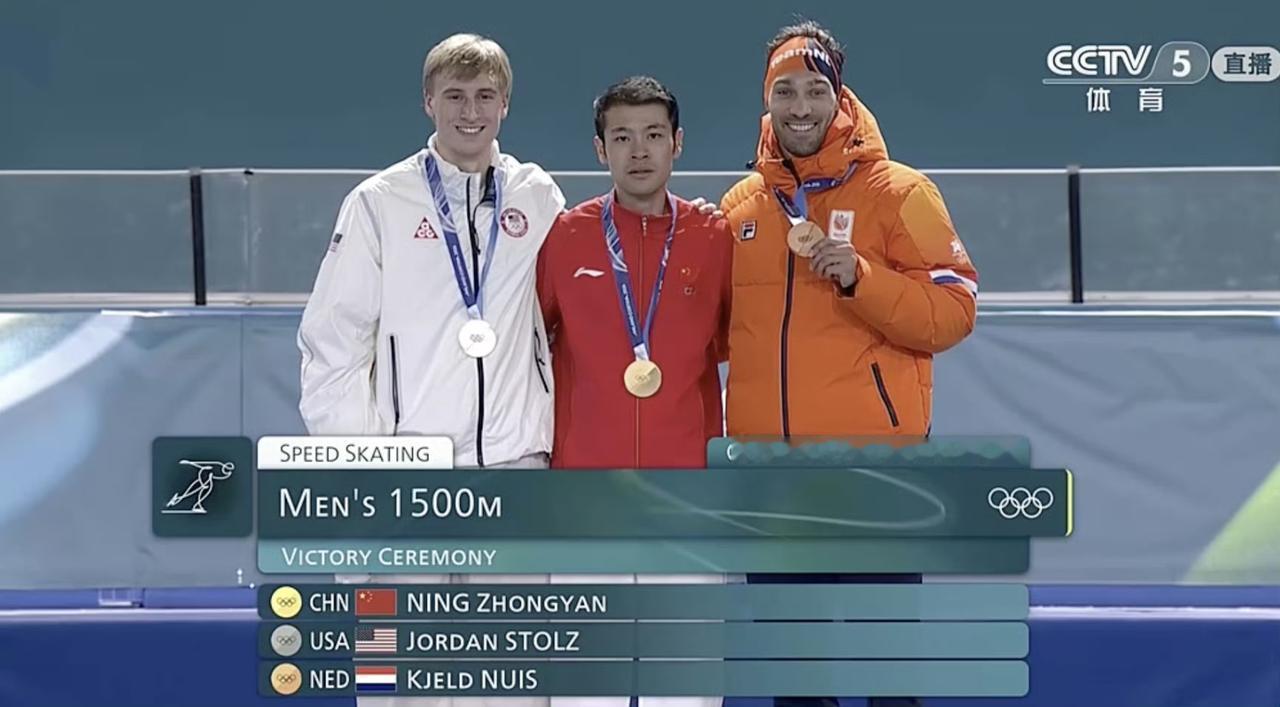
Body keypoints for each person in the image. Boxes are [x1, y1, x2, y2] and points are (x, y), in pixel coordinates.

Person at [718, 20, 980, 707]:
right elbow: (720, 334)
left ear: (839, 96)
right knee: (795, 682)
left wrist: (864, 278)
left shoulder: (901, 192)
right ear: (766, 100)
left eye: (814, 89)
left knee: (885, 669)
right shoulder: (740, 208)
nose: (800, 106)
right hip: (773, 481)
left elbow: (954, 310)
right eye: (784, 90)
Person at [297, 32, 563, 707]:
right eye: (455, 96)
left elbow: (566, 326)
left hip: (512, 471)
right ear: (428, 102)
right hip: (408, 477)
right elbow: (331, 346)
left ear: (505, 105)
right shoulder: (378, 203)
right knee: (392, 677)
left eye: (484, 96)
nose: (470, 112)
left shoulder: (537, 198)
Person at [537, 76, 730, 707]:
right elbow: (533, 342)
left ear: (678, 143)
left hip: (687, 493)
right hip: (586, 493)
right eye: (622, 137)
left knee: (684, 683)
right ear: (600, 149)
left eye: (653, 135)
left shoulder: (714, 235)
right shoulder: (565, 235)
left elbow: (733, 340)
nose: (639, 151)